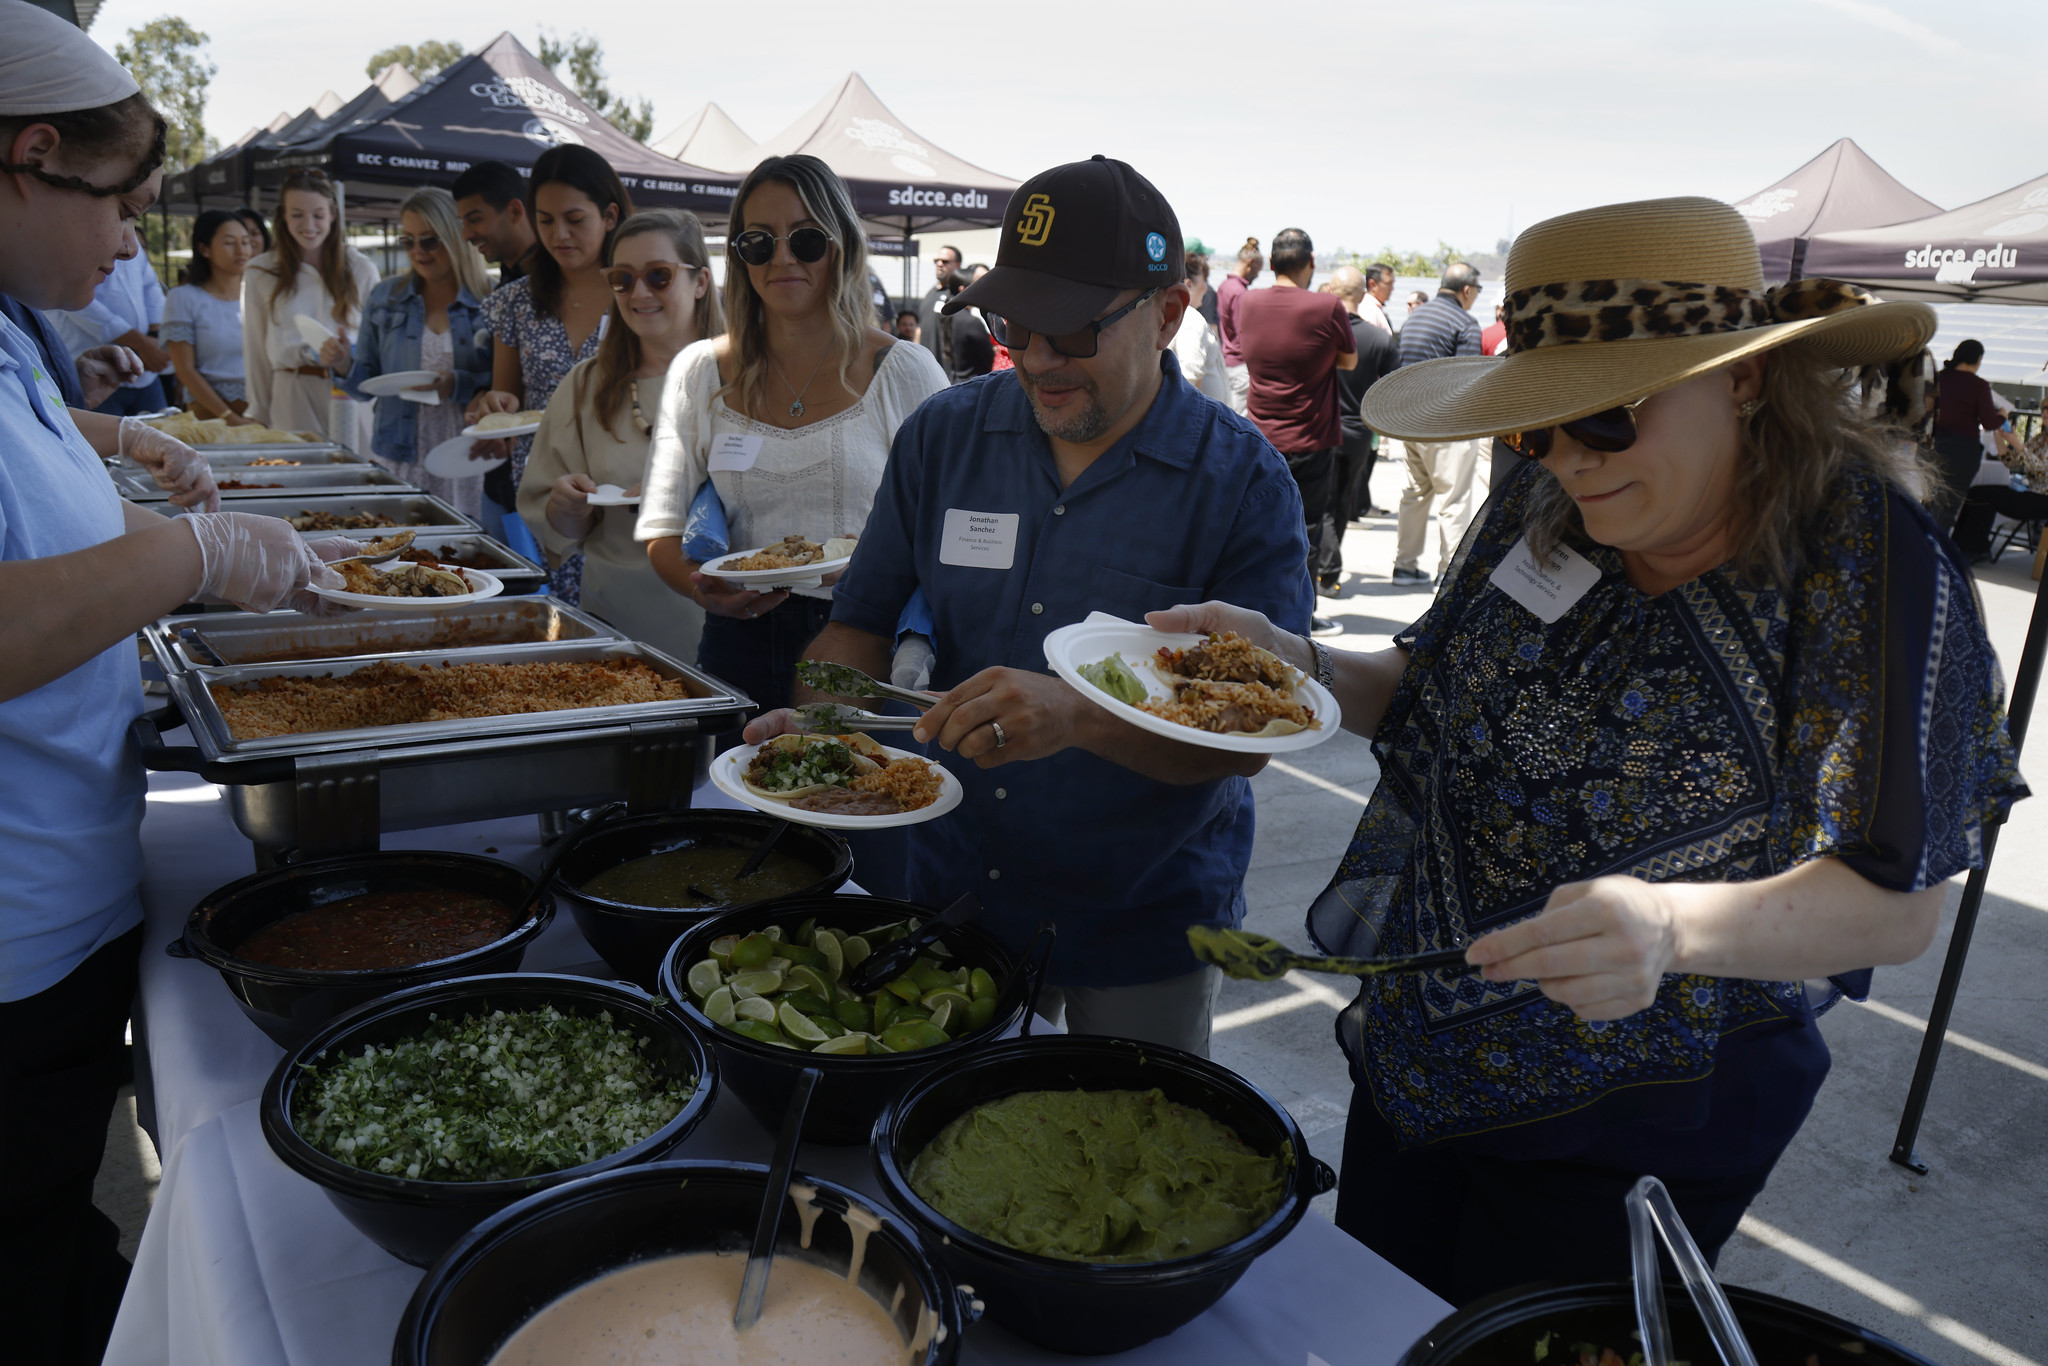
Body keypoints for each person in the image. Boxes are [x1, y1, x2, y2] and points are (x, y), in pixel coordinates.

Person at [1151, 195, 2024, 1303]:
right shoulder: (1548, 499)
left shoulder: (1861, 563)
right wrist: (1288, 662)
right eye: (1535, 425)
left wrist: (1670, 925)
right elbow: (1428, 686)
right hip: (1425, 1050)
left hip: (1638, 1126)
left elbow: (1892, 903)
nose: (1569, 459)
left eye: (1606, 416)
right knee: (1378, 1319)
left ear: (1745, 378)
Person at [740, 155, 1313, 1055]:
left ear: (1168, 313)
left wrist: (1079, 717)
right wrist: (825, 729)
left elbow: (1248, 737)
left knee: (1129, 1128)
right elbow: (860, 623)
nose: (1038, 360)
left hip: (1142, 915)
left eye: (1074, 331)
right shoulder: (945, 435)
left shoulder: (1243, 483)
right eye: (1015, 326)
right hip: (956, 889)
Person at [0, 18, 353, 1359]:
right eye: (121, 205)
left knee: (50, 1231)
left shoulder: (13, 323)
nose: (126, 247)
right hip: (14, 921)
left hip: (58, 887)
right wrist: (190, 554)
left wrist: (108, 433)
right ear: (32, 157)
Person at [639, 152, 947, 713]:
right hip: (735, 642)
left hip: (863, 638)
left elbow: (949, 525)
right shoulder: (698, 372)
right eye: (759, 242)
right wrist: (703, 589)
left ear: (841, 245)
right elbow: (662, 529)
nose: (781, 258)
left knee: (851, 772)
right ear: (740, 256)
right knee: (736, 770)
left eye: (805, 239)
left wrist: (879, 573)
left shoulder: (905, 370)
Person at [519, 209, 721, 662]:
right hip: (618, 622)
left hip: (728, 616)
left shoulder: (747, 377)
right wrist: (566, 506)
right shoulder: (586, 385)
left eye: (659, 275)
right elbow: (561, 529)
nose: (640, 293)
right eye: (623, 279)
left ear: (700, 282)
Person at [469, 144, 633, 600]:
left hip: (621, 488)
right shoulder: (516, 301)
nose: (559, 234)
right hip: (540, 491)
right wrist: (494, 407)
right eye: (545, 220)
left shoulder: (640, 295)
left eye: (574, 219)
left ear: (610, 215)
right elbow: (507, 399)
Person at [331, 187, 494, 520]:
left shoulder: (491, 298)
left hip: (467, 455)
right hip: (400, 452)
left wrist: (457, 384)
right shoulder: (385, 297)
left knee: (464, 546)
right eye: (408, 241)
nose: (418, 251)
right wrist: (343, 363)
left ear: (455, 237)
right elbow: (366, 386)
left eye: (430, 240)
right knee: (400, 543)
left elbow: (505, 383)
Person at [1237, 226, 1356, 619]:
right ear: (1312, 262)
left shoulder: (1248, 302)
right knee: (1307, 530)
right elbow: (1349, 360)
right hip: (1311, 437)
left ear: (1271, 263)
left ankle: (1254, 611)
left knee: (1257, 528)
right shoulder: (1327, 307)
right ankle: (1301, 618)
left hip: (1259, 436)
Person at [240, 167, 379, 440]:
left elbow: (376, 346)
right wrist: (259, 411)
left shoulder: (360, 268)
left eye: (318, 215)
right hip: (292, 391)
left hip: (348, 391)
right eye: (297, 215)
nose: (309, 225)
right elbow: (255, 349)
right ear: (283, 216)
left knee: (356, 465)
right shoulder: (261, 271)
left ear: (333, 215)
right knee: (299, 464)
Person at [1390, 261, 1486, 584]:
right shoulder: (1465, 323)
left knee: (1415, 494)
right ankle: (1449, 574)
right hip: (1446, 423)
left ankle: (1404, 566)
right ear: (1467, 290)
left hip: (1410, 421)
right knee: (1454, 500)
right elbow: (1467, 380)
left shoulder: (1416, 317)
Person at [47, 248, 170, 414]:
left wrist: (153, 336)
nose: (131, 248)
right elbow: (75, 300)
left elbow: (151, 286)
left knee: (161, 429)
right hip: (94, 377)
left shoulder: (133, 248)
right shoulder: (71, 247)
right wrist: (143, 344)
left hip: (146, 375)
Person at [161, 207, 255, 421]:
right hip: (210, 416)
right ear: (204, 249)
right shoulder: (183, 298)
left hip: (262, 412)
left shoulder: (260, 296)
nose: (241, 250)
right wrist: (229, 416)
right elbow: (185, 370)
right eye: (229, 243)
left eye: (246, 242)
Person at [1327, 265, 1401, 523]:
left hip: (1320, 429)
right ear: (1362, 294)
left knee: (1319, 508)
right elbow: (1394, 387)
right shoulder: (1379, 339)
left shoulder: (1314, 332)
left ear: (1331, 292)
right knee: (1341, 507)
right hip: (1359, 431)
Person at [1928, 339, 2005, 532]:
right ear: (1978, 359)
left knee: (1930, 500)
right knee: (1948, 505)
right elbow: (1989, 423)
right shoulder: (1978, 385)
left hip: (1934, 444)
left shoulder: (1938, 378)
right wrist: (2002, 416)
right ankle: (1937, 545)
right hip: (1962, 450)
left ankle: (1921, 542)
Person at [1951, 411, 2048, 560]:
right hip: (2028, 491)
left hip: (2043, 498)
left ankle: (1975, 549)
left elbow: (2041, 471)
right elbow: (2012, 463)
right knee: (1976, 492)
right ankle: (1961, 545)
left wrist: (2016, 443)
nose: (2045, 415)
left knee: (1986, 496)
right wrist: (1999, 435)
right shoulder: (2040, 439)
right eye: (2044, 412)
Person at [452, 160, 540, 285]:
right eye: (463, 223)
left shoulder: (556, 280)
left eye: (475, 219)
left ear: (515, 211)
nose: (466, 235)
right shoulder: (511, 278)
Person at [1169, 248, 1229, 404]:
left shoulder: (1175, 315)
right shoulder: (1191, 318)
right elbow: (1191, 373)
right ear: (1188, 285)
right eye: (1203, 282)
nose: (1206, 288)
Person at [1215, 236, 1261, 415]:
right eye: (1258, 270)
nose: (1257, 275)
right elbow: (1243, 332)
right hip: (1240, 364)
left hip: (1226, 360)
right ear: (1250, 263)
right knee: (1239, 419)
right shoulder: (1239, 292)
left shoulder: (1224, 286)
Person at [915, 241, 962, 372]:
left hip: (948, 373)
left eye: (945, 261)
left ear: (958, 265)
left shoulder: (958, 295)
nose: (939, 264)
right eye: (937, 261)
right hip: (925, 369)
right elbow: (919, 329)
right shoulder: (930, 294)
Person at [946, 268, 995, 383]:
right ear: (963, 289)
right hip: (973, 383)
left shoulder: (950, 317)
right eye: (976, 284)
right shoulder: (971, 322)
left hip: (954, 381)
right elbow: (989, 358)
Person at [1358, 261, 1396, 333]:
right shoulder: (1368, 310)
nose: (1392, 288)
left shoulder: (1374, 308)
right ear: (1372, 284)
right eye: (1388, 283)